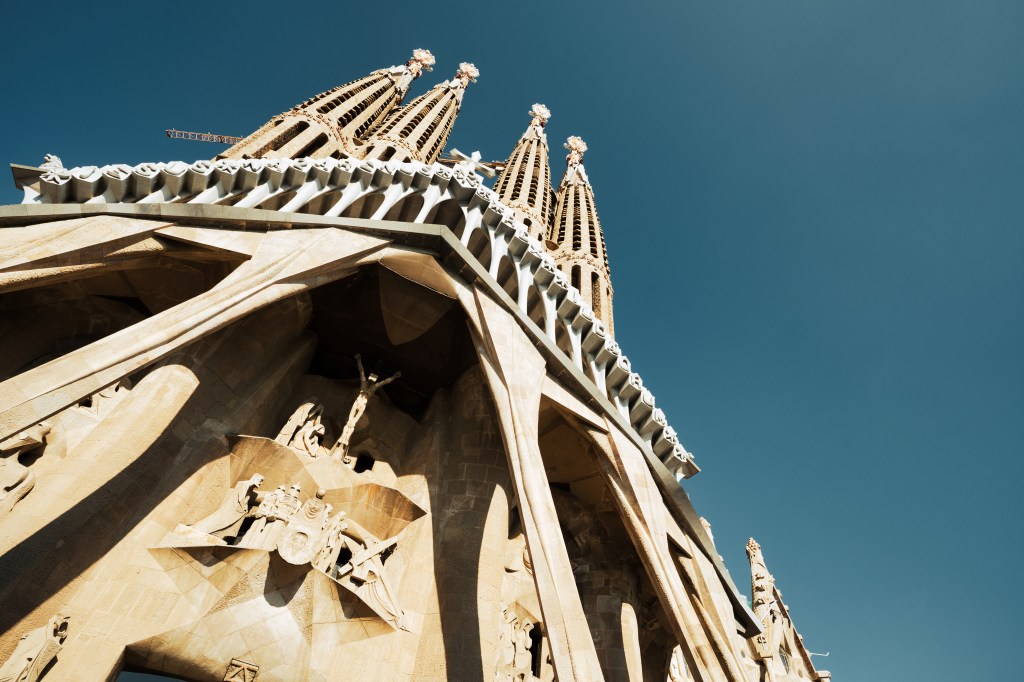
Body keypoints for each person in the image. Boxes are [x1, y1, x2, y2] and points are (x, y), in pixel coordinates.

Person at [332, 354, 400, 462]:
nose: (372, 380)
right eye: (371, 378)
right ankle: (343, 440)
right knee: (349, 422)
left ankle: (345, 441)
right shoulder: (364, 383)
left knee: (352, 424)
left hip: (362, 404)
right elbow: (361, 371)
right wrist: (358, 359)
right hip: (357, 402)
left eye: (373, 379)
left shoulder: (374, 387)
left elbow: (385, 382)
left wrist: (394, 377)